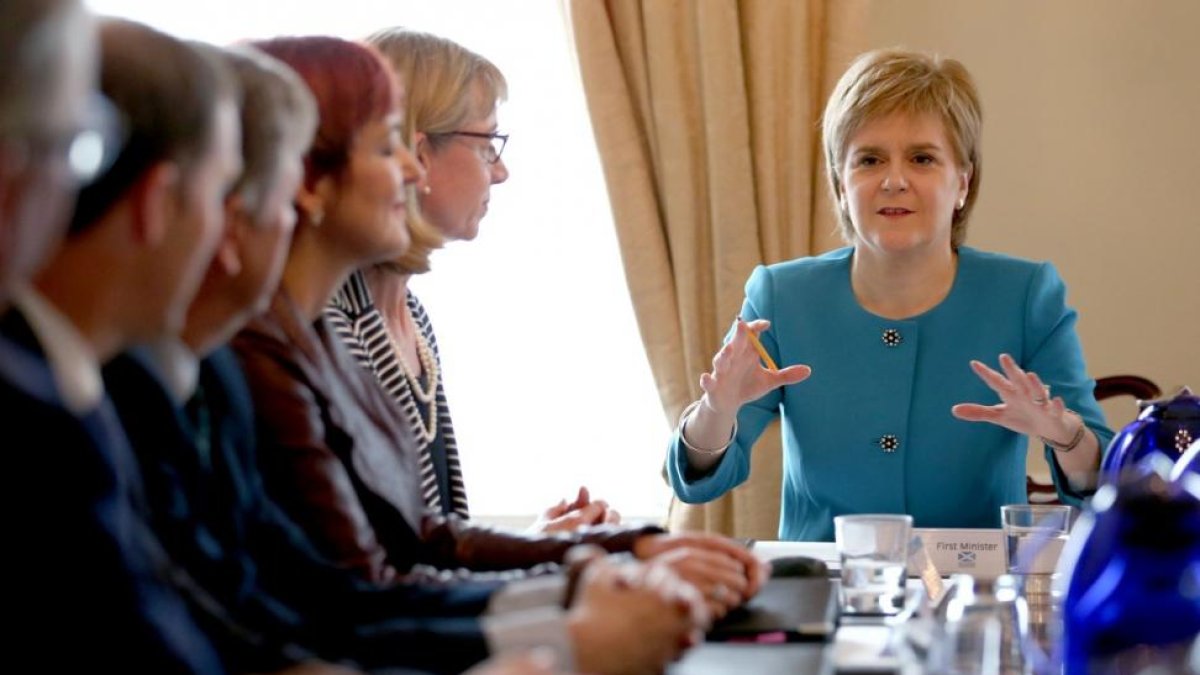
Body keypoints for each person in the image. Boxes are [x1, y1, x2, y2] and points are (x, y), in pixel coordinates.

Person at [224, 35, 720, 674]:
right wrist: (568, 595)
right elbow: (366, 591)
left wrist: (588, 554)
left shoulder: (379, 322)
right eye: (487, 143)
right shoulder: (292, 336)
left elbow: (423, 536)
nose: (408, 171)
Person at [666, 48, 1114, 542]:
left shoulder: (1027, 295)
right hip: (827, 587)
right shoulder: (782, 295)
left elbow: (1099, 480)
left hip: (973, 587)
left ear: (962, 182)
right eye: (869, 160)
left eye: (922, 158)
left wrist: (1062, 433)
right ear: (841, 185)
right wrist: (717, 410)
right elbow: (698, 482)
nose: (894, 180)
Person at [3, 16, 241, 671]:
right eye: (221, 194)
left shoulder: (68, 387)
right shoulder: (35, 416)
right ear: (157, 202)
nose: (230, 240)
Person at [326, 27, 613, 532]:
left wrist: (535, 545)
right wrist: (533, 557)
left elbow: (423, 543)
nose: (500, 172)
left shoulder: (411, 315)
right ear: (419, 154)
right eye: (487, 144)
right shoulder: (324, 325)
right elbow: (366, 574)